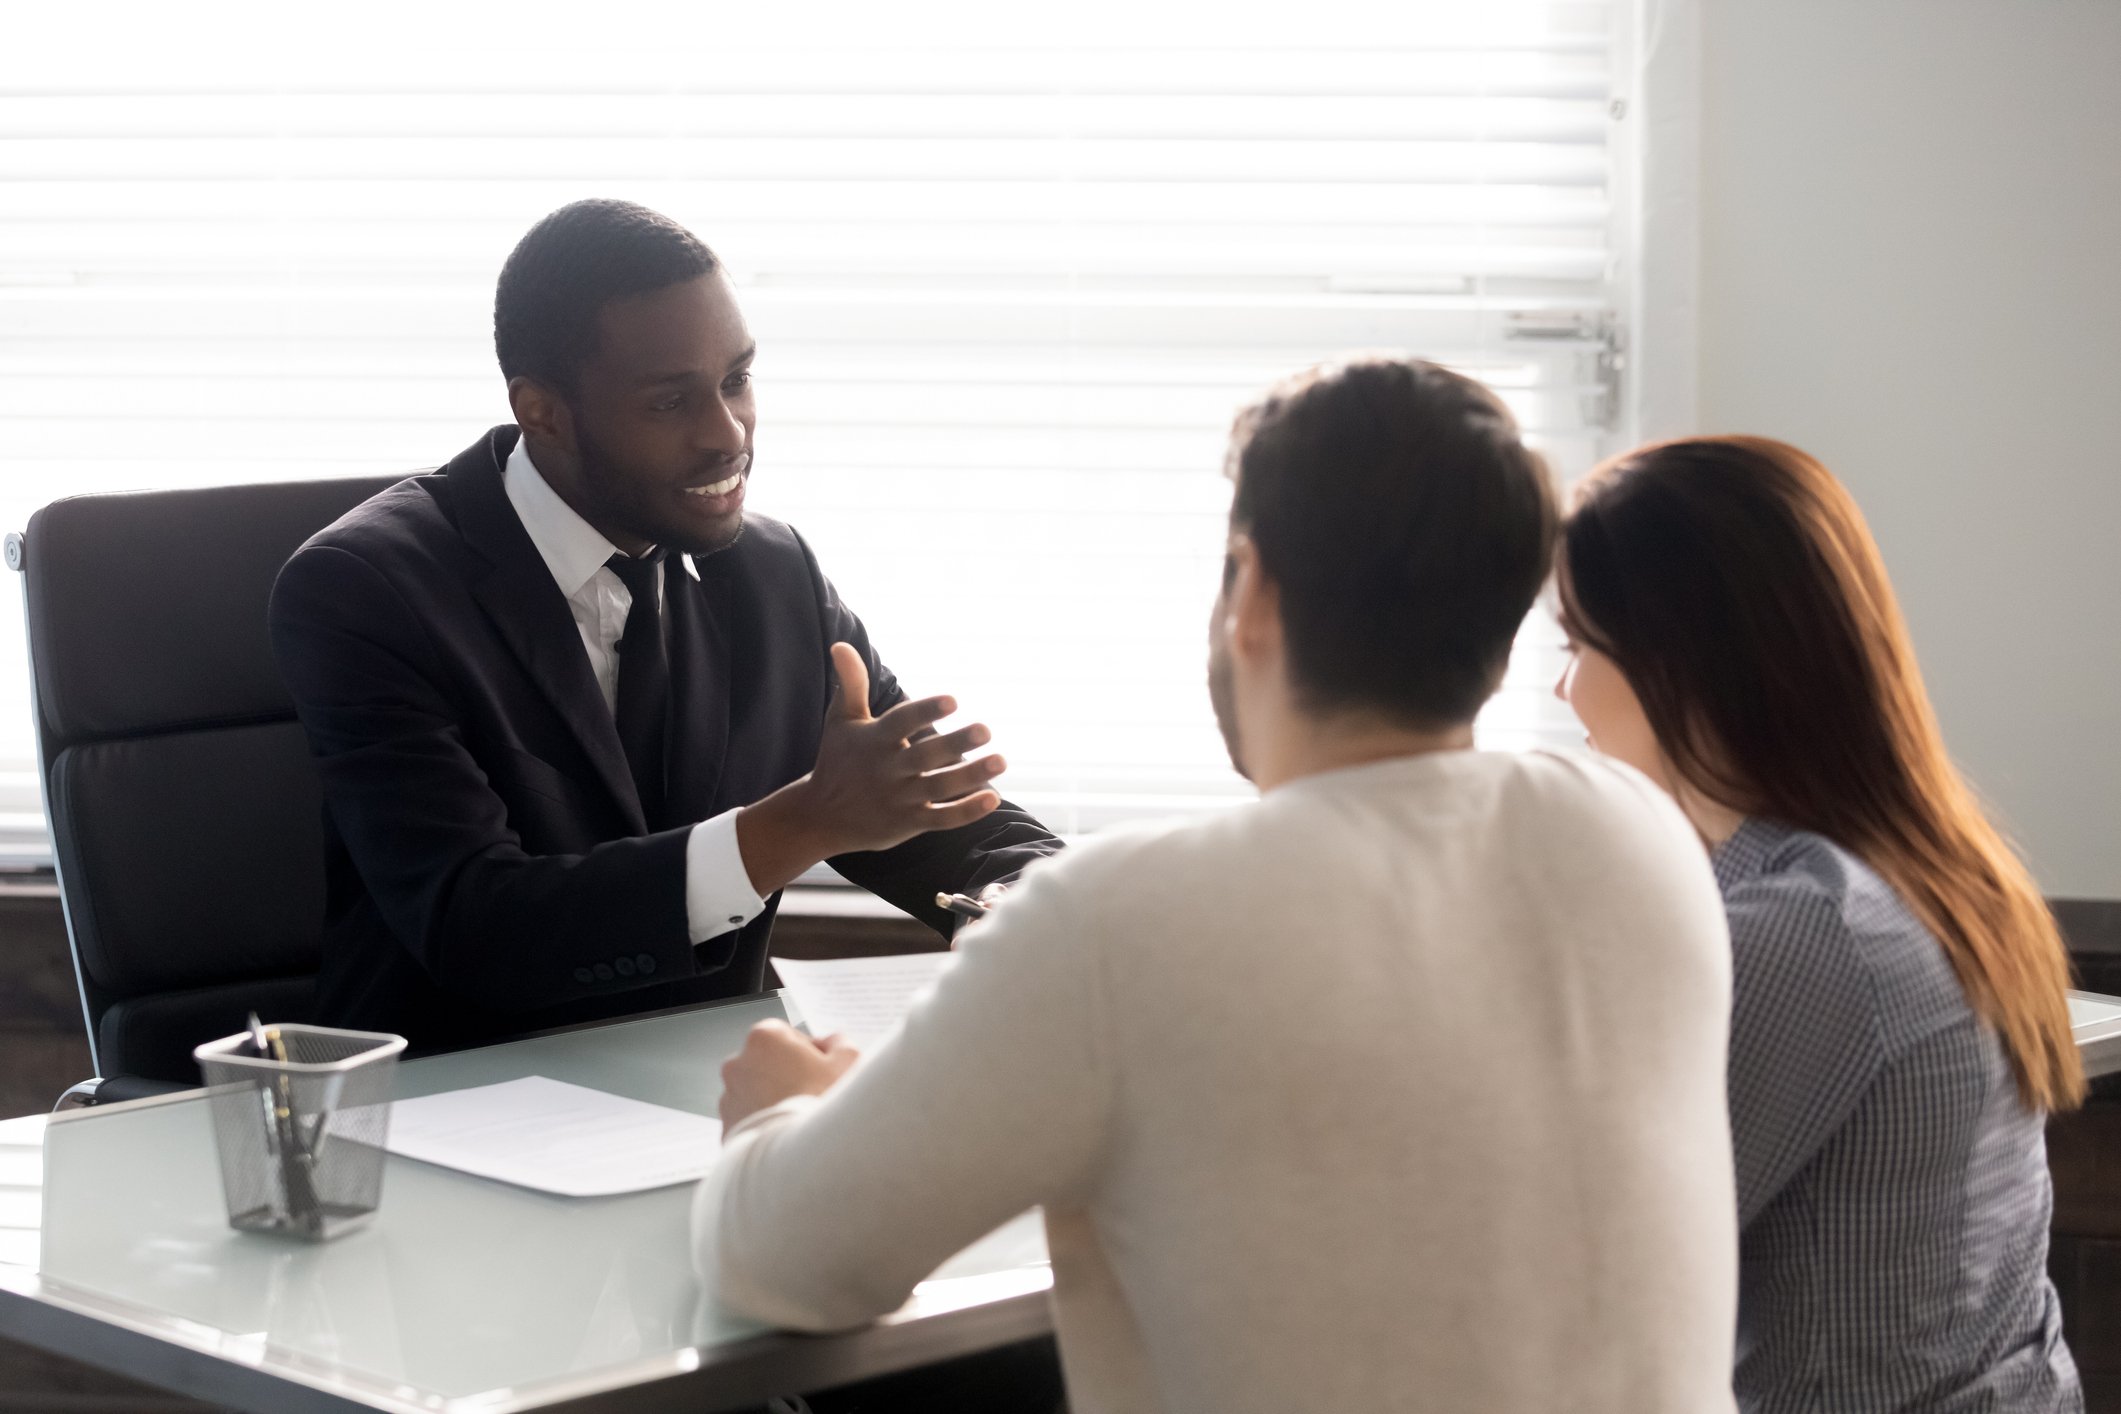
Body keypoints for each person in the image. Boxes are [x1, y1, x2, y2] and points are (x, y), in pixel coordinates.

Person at [695, 358, 1742, 1414]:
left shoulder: (1121, 921)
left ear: (1253, 592)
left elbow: (781, 1262)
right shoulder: (1642, 838)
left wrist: (781, 1115)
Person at [269, 199, 1059, 1053]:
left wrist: (1032, 895)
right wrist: (802, 822)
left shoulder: (771, 572)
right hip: (449, 1110)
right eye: (670, 402)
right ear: (542, 412)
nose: (728, 436)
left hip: (699, 1098)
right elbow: (477, 930)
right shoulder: (365, 590)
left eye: (735, 382)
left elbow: (916, 809)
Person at [1553, 435, 2085, 1412]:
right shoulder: (1932, 864)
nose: (1564, 691)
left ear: (1685, 660)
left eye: (1578, 646)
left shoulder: (1812, 929)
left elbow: (1591, 1268)